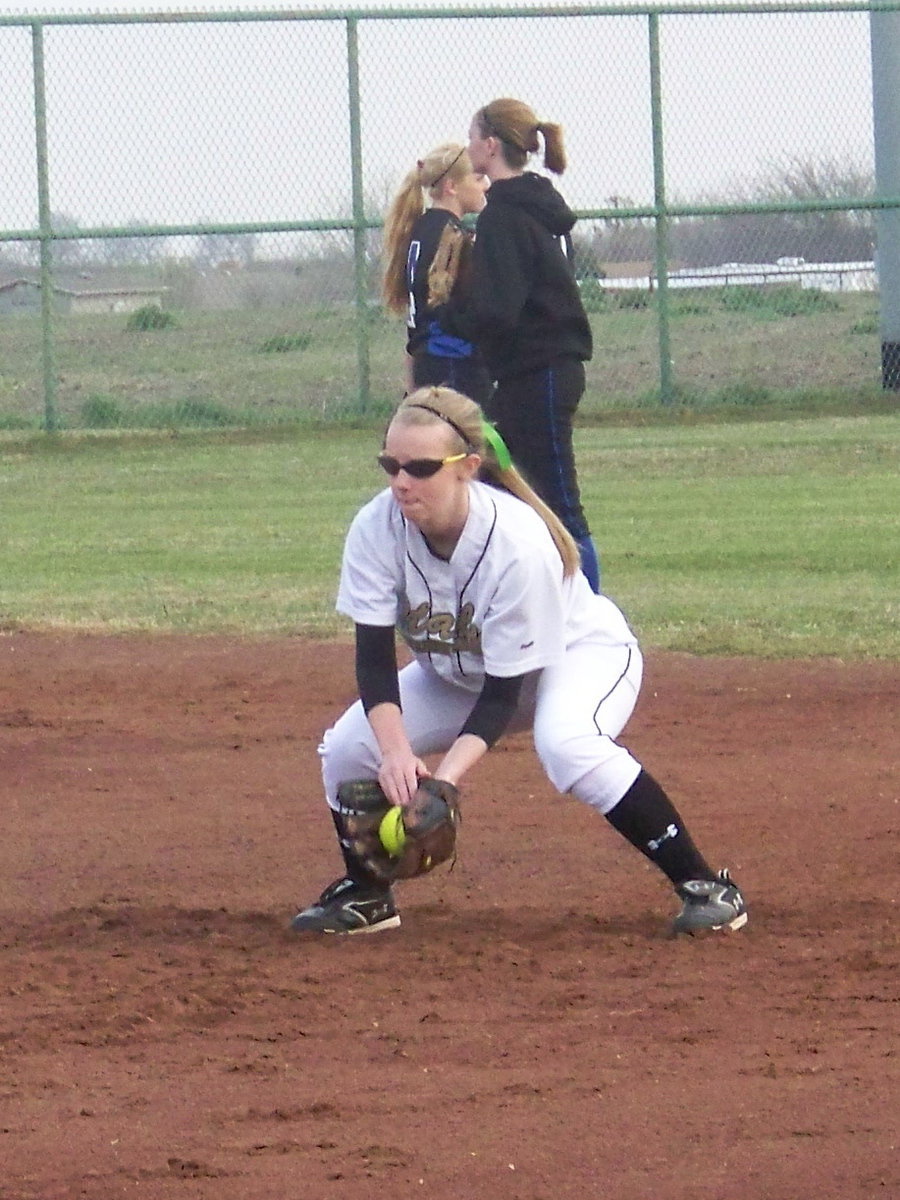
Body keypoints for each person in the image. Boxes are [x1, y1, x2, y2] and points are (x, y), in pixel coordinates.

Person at [291, 386, 748, 939]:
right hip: (461, 671)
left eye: (421, 467)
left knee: (567, 745)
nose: (401, 481)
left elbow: (503, 698)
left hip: (578, 658)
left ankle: (706, 886)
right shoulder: (376, 526)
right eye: (391, 464)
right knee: (347, 749)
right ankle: (367, 893)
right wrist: (394, 754)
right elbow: (374, 661)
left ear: (467, 468)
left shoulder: (516, 543)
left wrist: (444, 785)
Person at [435, 97, 601, 593]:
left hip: (541, 369)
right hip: (540, 369)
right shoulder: (535, 207)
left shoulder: (506, 215)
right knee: (517, 492)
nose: (467, 148)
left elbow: (498, 310)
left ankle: (592, 618)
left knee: (557, 499)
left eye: (472, 138)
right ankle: (535, 603)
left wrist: (448, 311)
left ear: (490, 146)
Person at [382, 142, 492, 405]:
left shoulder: (420, 230)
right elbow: (454, 311)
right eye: (477, 178)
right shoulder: (451, 237)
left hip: (427, 363)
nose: (486, 184)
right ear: (451, 187)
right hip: (454, 367)